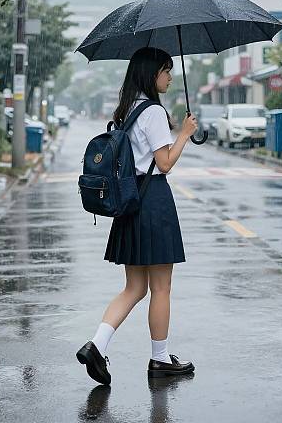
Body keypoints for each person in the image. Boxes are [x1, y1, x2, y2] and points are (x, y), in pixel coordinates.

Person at [76, 47, 198, 385]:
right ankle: (160, 359)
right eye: (166, 70)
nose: (170, 77)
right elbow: (165, 163)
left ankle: (96, 345)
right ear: (151, 74)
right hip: (154, 200)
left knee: (133, 287)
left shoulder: (127, 109)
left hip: (131, 201)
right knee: (161, 288)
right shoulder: (154, 112)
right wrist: (185, 134)